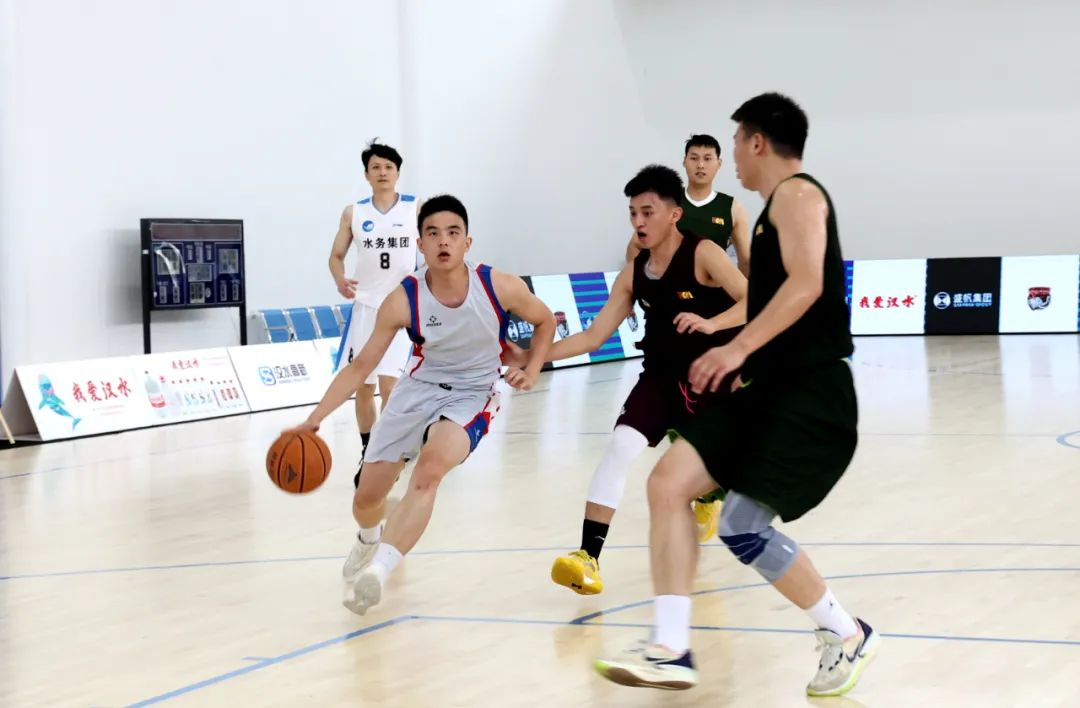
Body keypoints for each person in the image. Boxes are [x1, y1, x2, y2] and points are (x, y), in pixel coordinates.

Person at [594, 93, 880, 697]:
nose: (730, 159)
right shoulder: (774, 210)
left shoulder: (798, 195)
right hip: (768, 387)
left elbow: (807, 285)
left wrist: (736, 347)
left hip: (810, 393)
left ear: (757, 142)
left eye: (734, 144)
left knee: (741, 523)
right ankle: (671, 648)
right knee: (669, 485)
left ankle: (845, 633)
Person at [293, 195, 556, 616]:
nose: (443, 241)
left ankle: (377, 572)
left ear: (468, 242)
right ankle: (367, 539)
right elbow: (361, 365)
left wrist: (534, 367)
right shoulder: (404, 297)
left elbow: (544, 321)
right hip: (417, 389)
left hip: (472, 393)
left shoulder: (498, 285)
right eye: (432, 234)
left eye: (453, 233)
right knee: (366, 498)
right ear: (420, 244)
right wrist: (314, 418)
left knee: (430, 470)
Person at [506, 165, 746, 595]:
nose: (638, 222)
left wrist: (713, 325)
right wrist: (533, 357)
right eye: (633, 213)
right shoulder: (634, 273)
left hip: (714, 380)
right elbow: (593, 336)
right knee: (620, 446)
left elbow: (754, 301)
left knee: (717, 475)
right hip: (660, 380)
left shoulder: (704, 253)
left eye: (648, 212)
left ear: (674, 214)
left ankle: (711, 495)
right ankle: (587, 556)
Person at [328, 140, 422, 460]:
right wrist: (340, 278)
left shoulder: (415, 208)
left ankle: (388, 450)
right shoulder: (354, 212)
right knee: (363, 387)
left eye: (388, 167)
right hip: (366, 307)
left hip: (400, 307)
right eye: (376, 167)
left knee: (390, 385)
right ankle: (368, 450)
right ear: (366, 174)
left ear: (398, 173)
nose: (382, 172)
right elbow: (336, 256)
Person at [626, 134, 751, 276]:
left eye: (707, 158)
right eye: (694, 158)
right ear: (684, 161)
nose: (700, 165)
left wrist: (742, 289)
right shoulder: (667, 200)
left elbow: (745, 260)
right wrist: (641, 282)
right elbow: (635, 245)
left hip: (714, 287)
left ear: (719, 163)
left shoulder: (732, 208)